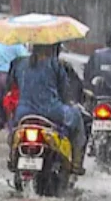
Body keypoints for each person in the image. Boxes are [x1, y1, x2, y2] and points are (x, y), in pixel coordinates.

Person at [10, 43, 88, 175]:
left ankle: (12, 157)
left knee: (13, 130)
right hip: (52, 111)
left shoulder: (19, 63)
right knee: (77, 115)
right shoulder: (55, 64)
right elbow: (64, 93)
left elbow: (12, 85)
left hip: (23, 113)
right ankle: (76, 163)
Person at [0, 38, 30, 131]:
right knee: (8, 104)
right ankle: (8, 130)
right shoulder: (15, 43)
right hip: (6, 76)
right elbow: (26, 57)